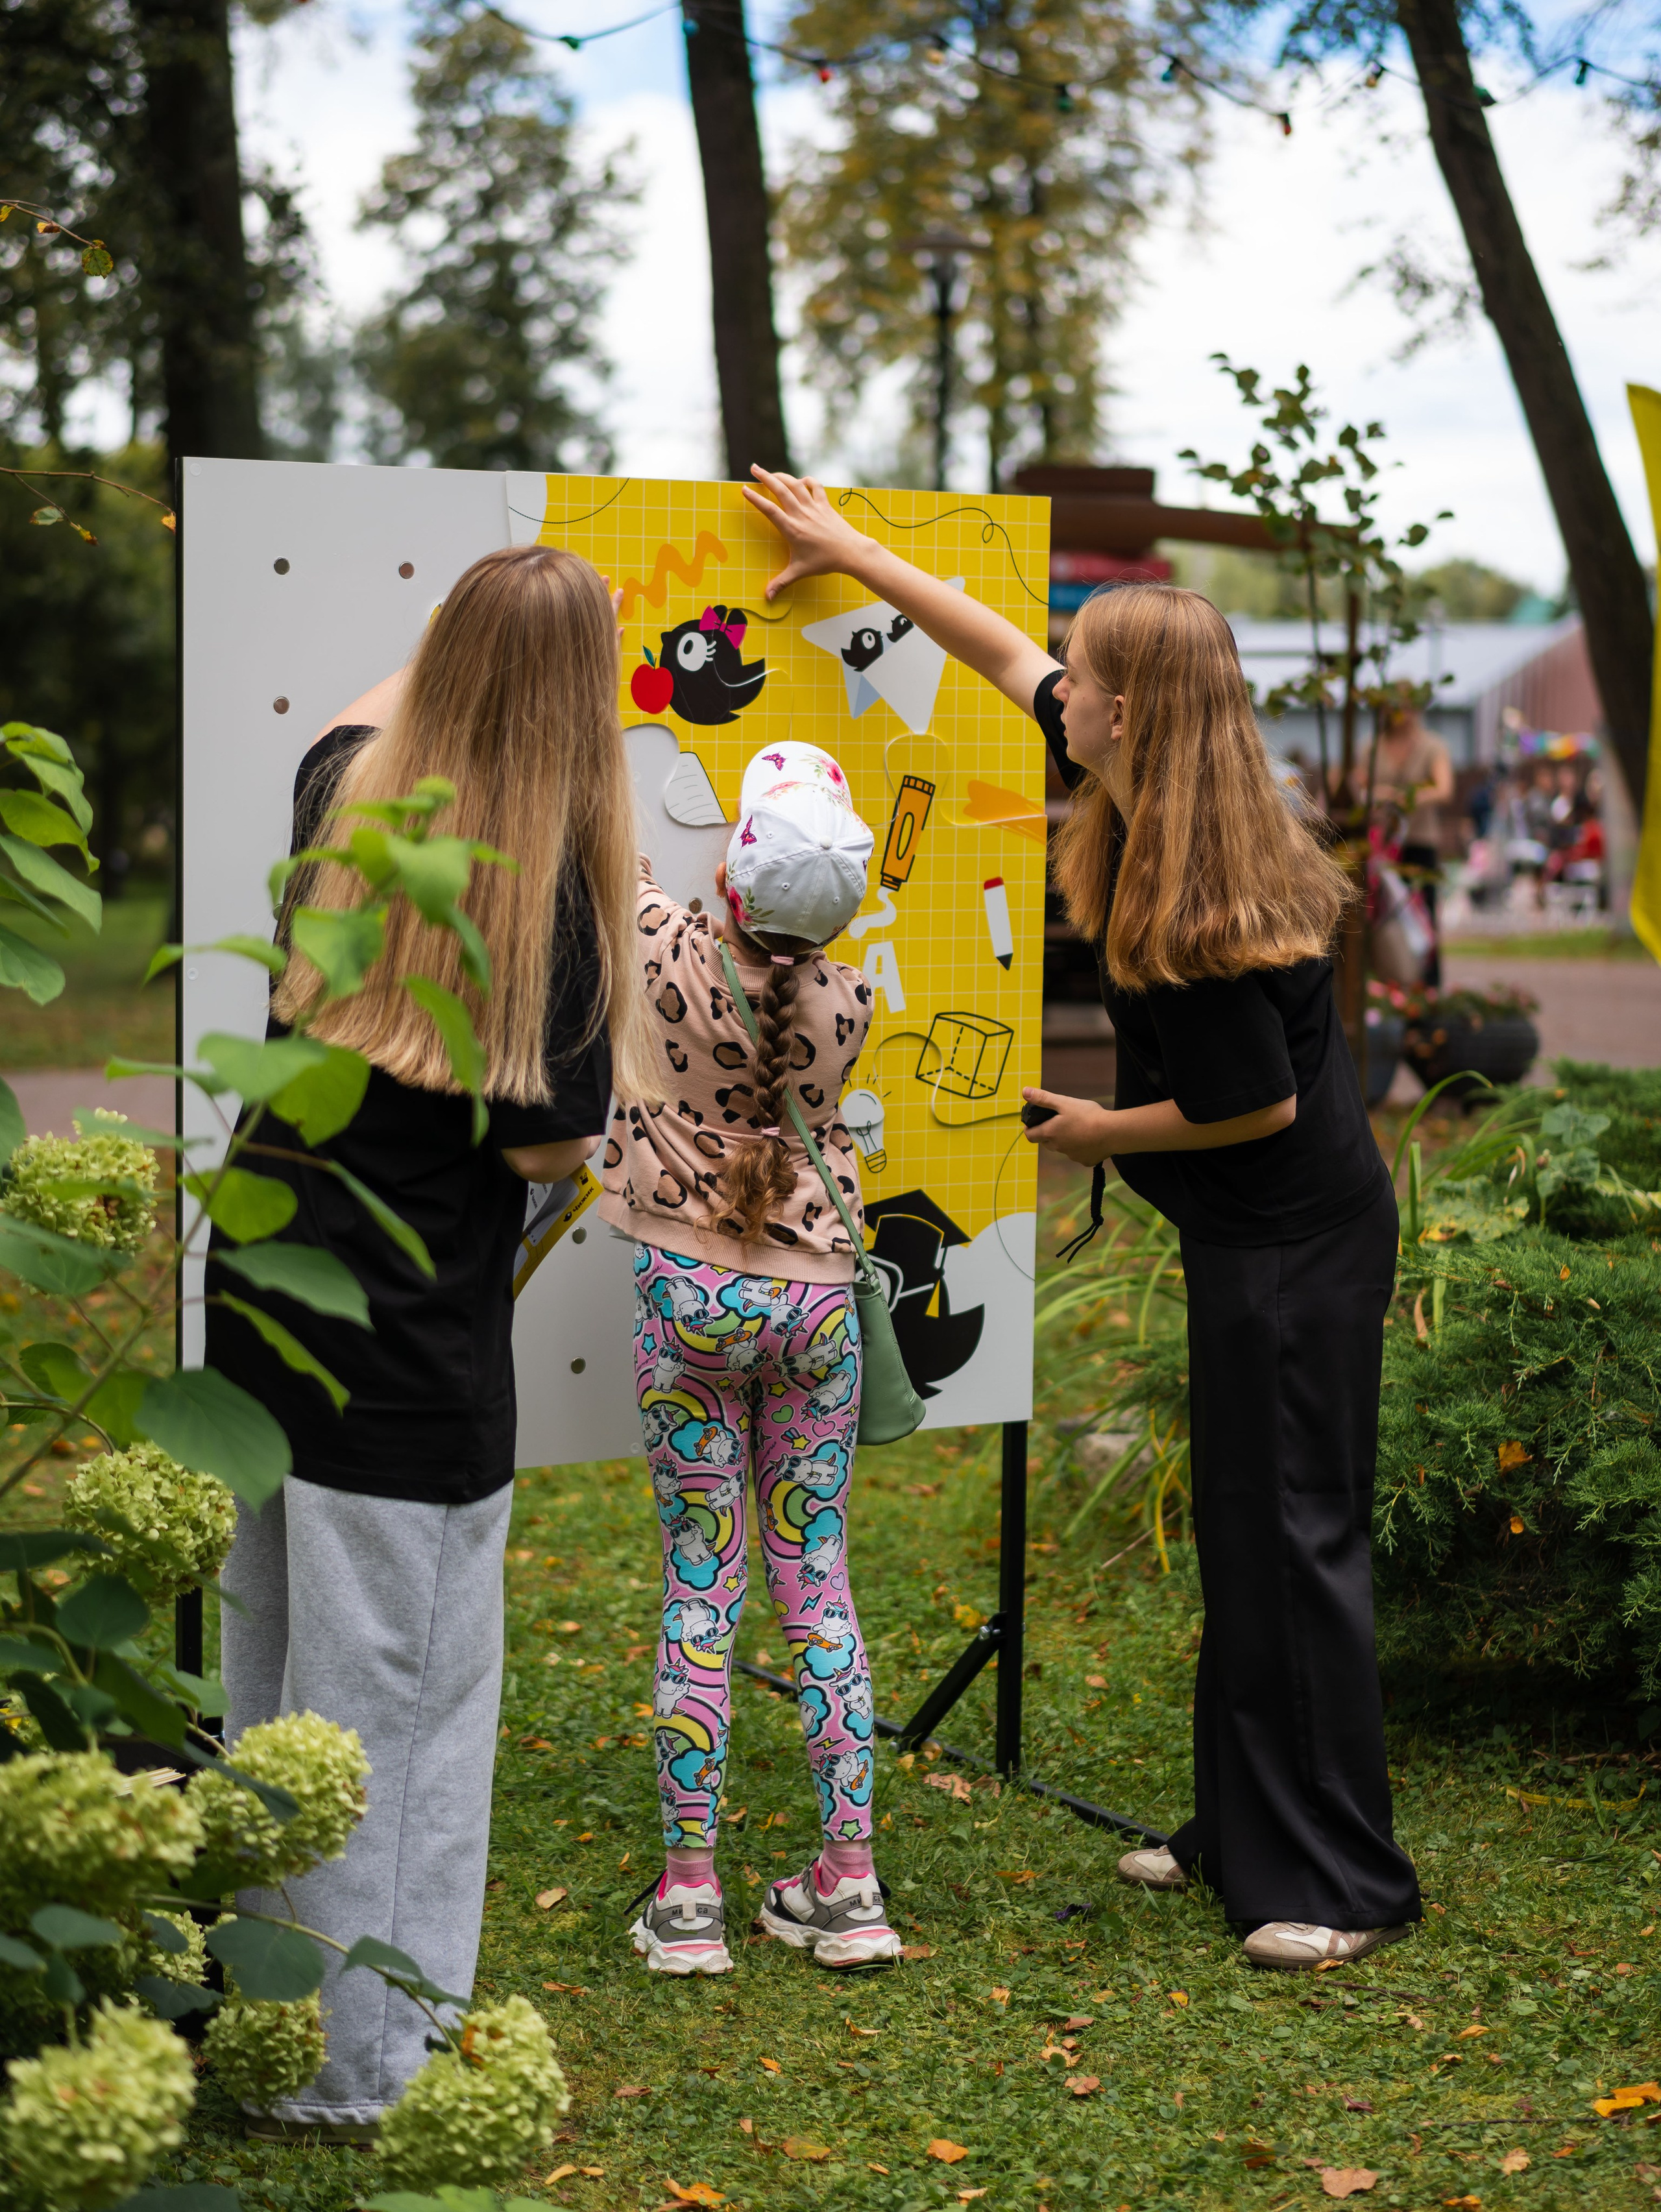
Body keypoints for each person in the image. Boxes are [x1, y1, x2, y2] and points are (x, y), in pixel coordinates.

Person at [743, 467, 1422, 1973]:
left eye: (1091, 678)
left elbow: (1254, 1109)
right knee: (1247, 1531)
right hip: (1247, 1239)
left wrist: (1094, 1128)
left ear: (1136, 716)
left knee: (1293, 1536)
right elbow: (995, 647)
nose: (1067, 691)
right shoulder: (1148, 783)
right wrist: (851, 553)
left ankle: (1340, 1879)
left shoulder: (1197, 888)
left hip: (1293, 1246)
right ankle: (1241, 1828)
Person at [210, 545, 657, 2137]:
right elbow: (547, 1152)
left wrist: (468, 627)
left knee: (270, 1696)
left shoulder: (347, 798)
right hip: (409, 1367)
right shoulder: (548, 901)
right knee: (394, 1715)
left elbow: (361, 712)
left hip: (262, 1322)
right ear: (578, 703)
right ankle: (358, 2070)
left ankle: (261, 2028)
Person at [602, 739, 904, 1976]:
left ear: (730, 877)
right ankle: (850, 1887)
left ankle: (689, 1901)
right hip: (816, 1311)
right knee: (815, 1588)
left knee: (700, 1587)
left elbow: (607, 848)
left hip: (691, 1305)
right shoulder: (850, 1004)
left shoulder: (662, 946)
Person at [1363, 696, 1453, 986]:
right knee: (1381, 918)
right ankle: (1388, 983)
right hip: (1382, 848)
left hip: (1419, 842)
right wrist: (1385, 796)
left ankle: (1427, 988)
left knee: (1423, 916)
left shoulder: (1432, 746)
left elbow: (1444, 789)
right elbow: (1359, 786)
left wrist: (1409, 799)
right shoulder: (1373, 746)